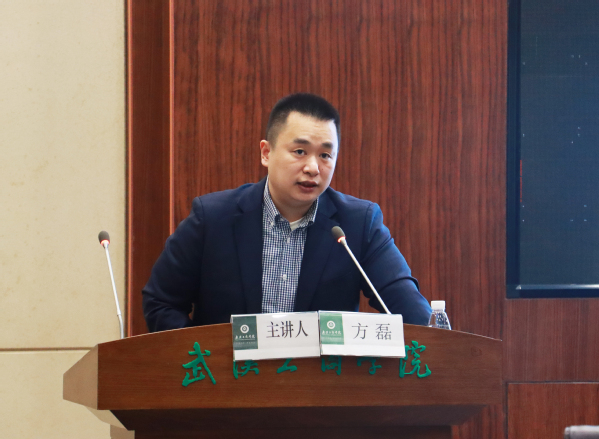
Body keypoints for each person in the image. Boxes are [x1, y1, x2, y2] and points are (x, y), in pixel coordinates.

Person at [142, 93, 431, 332]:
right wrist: (208, 360)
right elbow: (161, 302)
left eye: (325, 155)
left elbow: (412, 313)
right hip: (230, 380)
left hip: (320, 383)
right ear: (266, 153)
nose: (313, 168)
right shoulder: (213, 218)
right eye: (300, 152)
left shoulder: (358, 224)